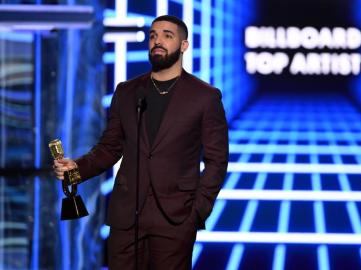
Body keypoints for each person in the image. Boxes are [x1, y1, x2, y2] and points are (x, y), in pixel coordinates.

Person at [53, 15, 229, 270]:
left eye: (167, 36)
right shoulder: (127, 91)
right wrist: (75, 170)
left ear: (184, 46)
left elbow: (217, 160)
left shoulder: (205, 97)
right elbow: (110, 148)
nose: (158, 41)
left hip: (176, 217)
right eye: (153, 35)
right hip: (126, 215)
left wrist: (197, 210)